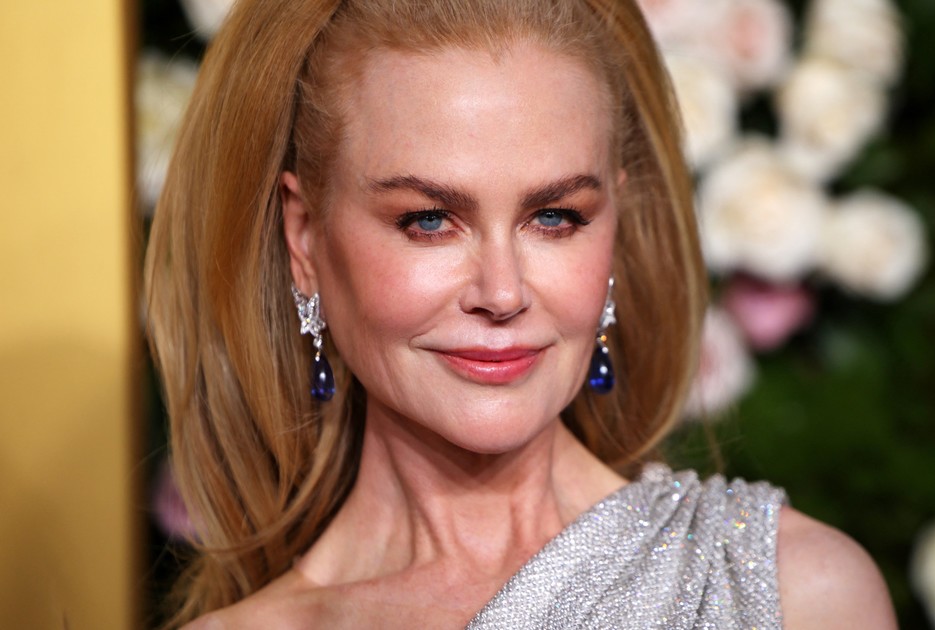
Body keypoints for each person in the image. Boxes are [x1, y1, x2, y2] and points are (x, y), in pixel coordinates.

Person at [144, 0, 896, 627]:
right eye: (429, 221)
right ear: (304, 237)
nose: (502, 294)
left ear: (615, 223)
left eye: (556, 218)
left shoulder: (795, 591)